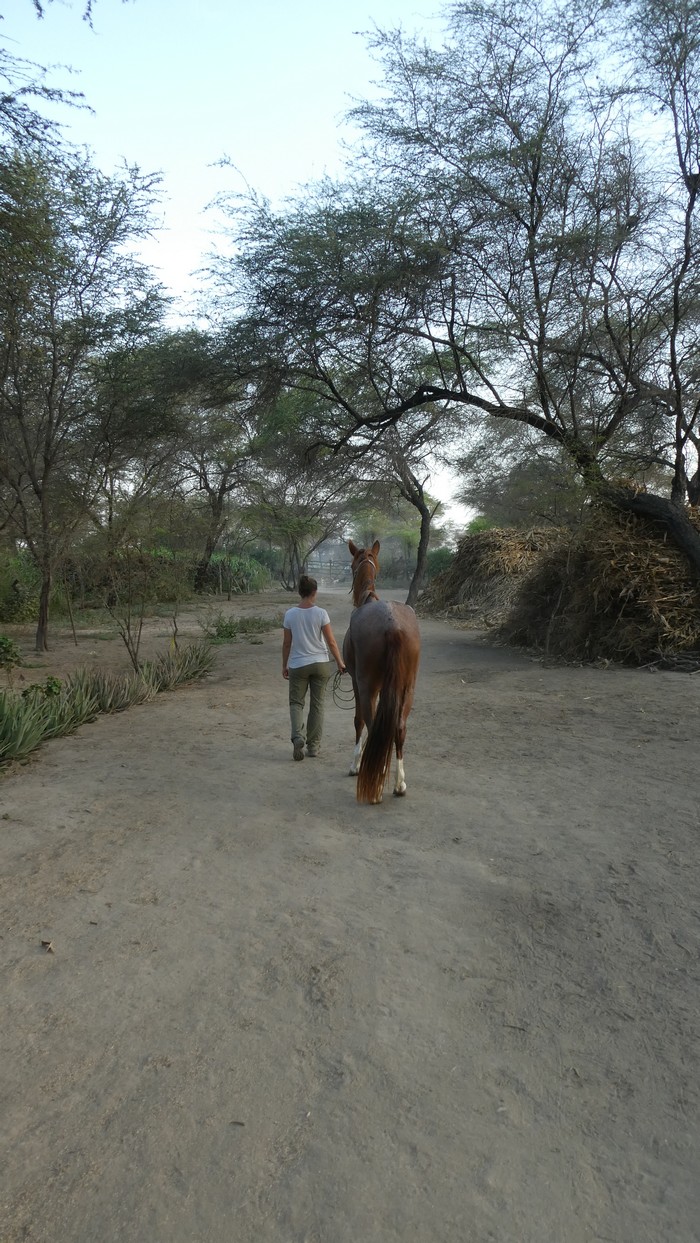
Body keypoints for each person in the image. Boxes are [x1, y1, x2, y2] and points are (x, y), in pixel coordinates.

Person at [282, 575, 346, 760]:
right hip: (320, 664)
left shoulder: (290, 614)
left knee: (296, 703)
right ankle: (313, 747)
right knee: (317, 705)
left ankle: (297, 737)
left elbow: (287, 644)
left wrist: (284, 665)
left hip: (298, 665)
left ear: (300, 592)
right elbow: (331, 642)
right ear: (314, 592)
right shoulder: (321, 613)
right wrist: (340, 662)